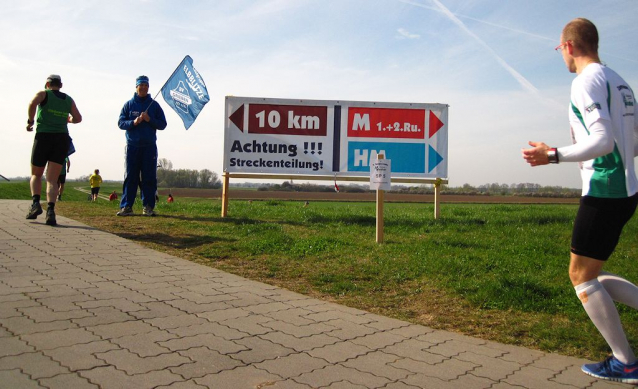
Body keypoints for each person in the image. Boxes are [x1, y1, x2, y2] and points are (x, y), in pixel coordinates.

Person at [522, 18, 638, 384]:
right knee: (592, 275)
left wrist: (551, 154)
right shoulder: (620, 82)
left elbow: (603, 141)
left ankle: (626, 363)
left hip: (606, 190)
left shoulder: (584, 82)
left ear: (569, 46)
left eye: (560, 50)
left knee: (580, 276)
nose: (562, 56)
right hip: (627, 188)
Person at [26, 74, 82, 226]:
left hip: (43, 137)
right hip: (61, 139)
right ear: (61, 85)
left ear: (47, 84)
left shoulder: (43, 94)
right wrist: (68, 119)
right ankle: (50, 211)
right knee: (52, 179)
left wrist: (30, 121)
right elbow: (78, 118)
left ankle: (36, 203)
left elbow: (32, 103)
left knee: (36, 174)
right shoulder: (68, 99)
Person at [117, 75, 167, 217]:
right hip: (132, 146)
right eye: (141, 85)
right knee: (130, 177)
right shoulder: (129, 105)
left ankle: (148, 207)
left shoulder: (154, 105)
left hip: (149, 147)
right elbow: (120, 123)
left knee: (149, 178)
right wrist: (134, 122)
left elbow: (163, 124)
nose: (143, 88)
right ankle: (127, 207)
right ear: (136, 87)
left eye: (146, 85)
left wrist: (149, 119)